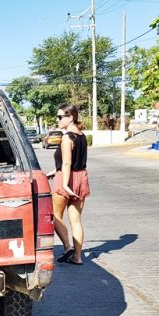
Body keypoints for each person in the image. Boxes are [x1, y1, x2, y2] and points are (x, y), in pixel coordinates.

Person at [46, 103, 90, 265]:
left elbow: (67, 164)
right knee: (76, 220)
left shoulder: (67, 137)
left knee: (54, 215)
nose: (57, 120)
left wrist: (64, 184)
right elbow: (74, 161)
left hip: (66, 179)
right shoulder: (82, 135)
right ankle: (78, 257)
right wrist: (54, 170)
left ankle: (66, 246)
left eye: (60, 117)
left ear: (70, 117)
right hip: (81, 178)